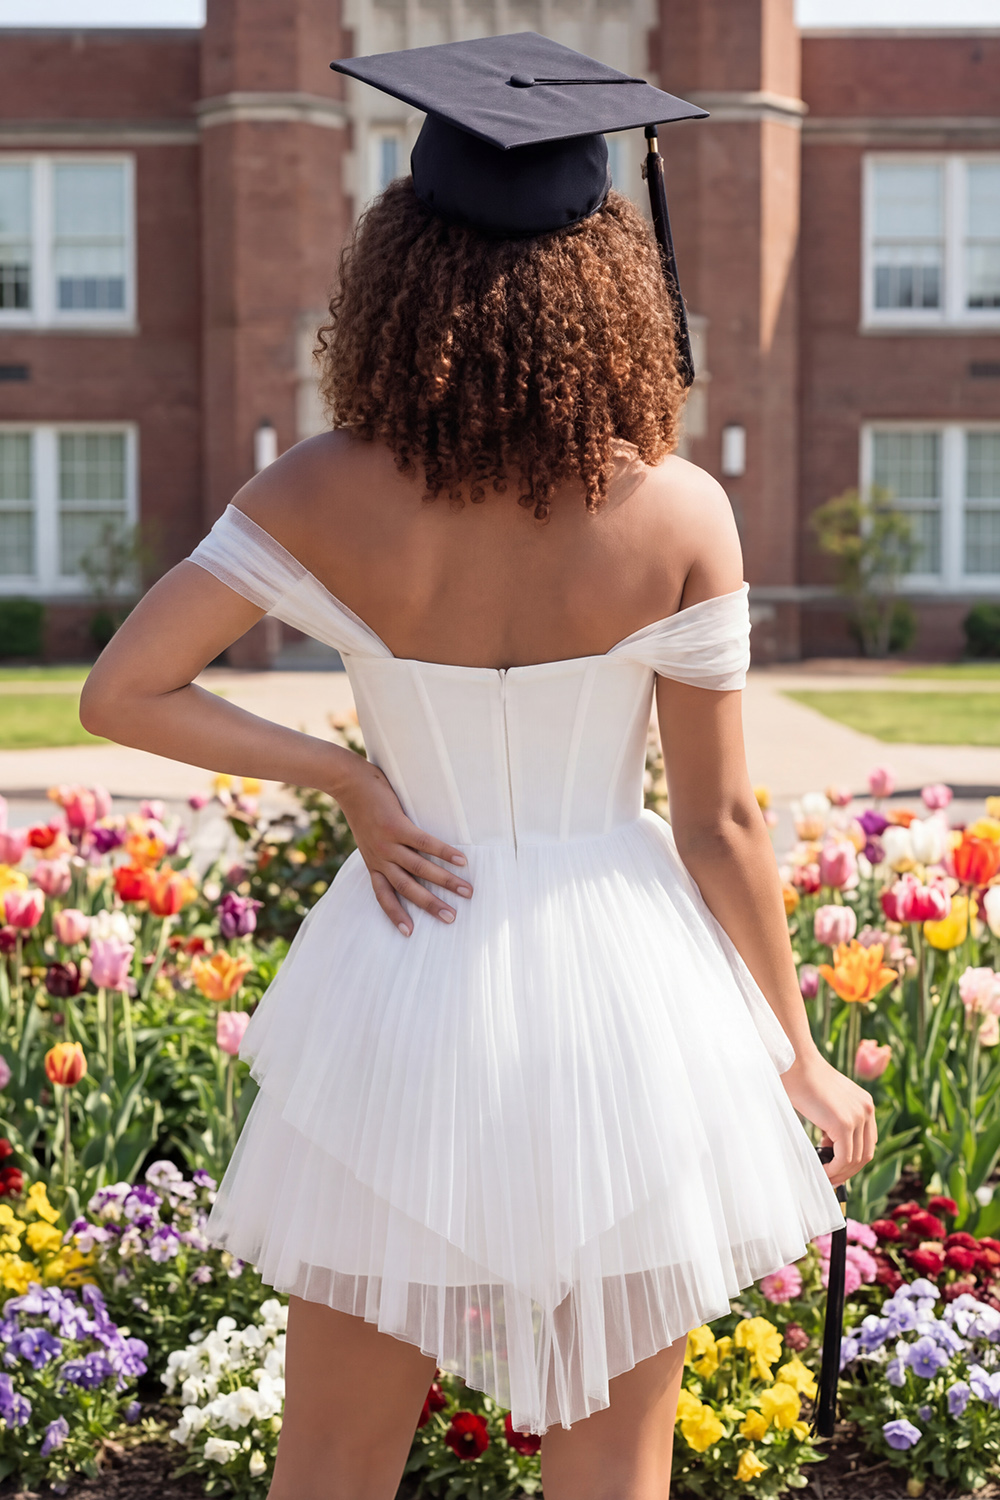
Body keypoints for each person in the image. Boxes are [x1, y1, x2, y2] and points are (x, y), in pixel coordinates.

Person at [80, 32, 876, 1500]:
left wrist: (350, 786)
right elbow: (720, 825)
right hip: (627, 1000)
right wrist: (799, 1052)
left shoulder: (318, 487)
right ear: (618, 281)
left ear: (400, 265)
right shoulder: (683, 513)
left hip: (404, 968)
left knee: (327, 1461)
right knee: (615, 1466)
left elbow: (124, 692)